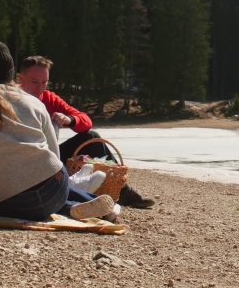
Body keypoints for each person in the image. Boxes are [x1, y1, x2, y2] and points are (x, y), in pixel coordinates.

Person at [0, 41, 118, 222]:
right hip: (54, 190)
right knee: (37, 199)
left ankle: (72, 206)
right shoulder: (34, 102)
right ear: (11, 73)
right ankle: (72, 206)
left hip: (10, 201)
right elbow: (54, 153)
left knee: (5, 201)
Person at [17, 56, 155, 208]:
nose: (40, 88)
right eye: (34, 82)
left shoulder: (48, 98)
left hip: (51, 158)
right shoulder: (12, 99)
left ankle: (122, 190)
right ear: (21, 79)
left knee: (91, 137)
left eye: (44, 82)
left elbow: (86, 121)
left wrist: (70, 120)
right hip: (23, 163)